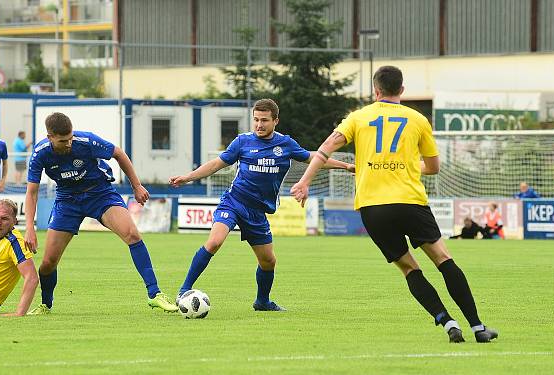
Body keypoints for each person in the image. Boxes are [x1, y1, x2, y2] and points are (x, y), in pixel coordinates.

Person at [290, 65, 497, 343]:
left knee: (410, 268)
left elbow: (325, 148)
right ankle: (477, 327)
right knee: (443, 259)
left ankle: (447, 322)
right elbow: (434, 167)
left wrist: (304, 182)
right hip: (410, 202)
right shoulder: (417, 119)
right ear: (401, 90)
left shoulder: (357, 117)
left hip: (373, 208)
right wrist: (408, 167)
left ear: (375, 91)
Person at [169, 99, 354, 311]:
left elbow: (313, 158)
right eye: (255, 119)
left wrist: (345, 165)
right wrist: (188, 177)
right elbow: (215, 164)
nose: (259, 124)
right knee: (214, 242)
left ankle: (262, 302)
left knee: (268, 262)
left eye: (264, 120)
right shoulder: (242, 142)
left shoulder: (285, 144)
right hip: (234, 202)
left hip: (257, 213)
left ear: (276, 121)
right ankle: (184, 289)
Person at [24, 112, 177, 314]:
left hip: (100, 193)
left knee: (132, 234)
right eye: (63, 140)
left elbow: (119, 153)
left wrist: (136, 186)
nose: (69, 143)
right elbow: (32, 192)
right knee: (48, 262)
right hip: (67, 200)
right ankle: (46, 304)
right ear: (50, 137)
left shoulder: (86, 141)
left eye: (70, 138)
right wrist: (30, 229)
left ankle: (155, 294)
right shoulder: (40, 153)